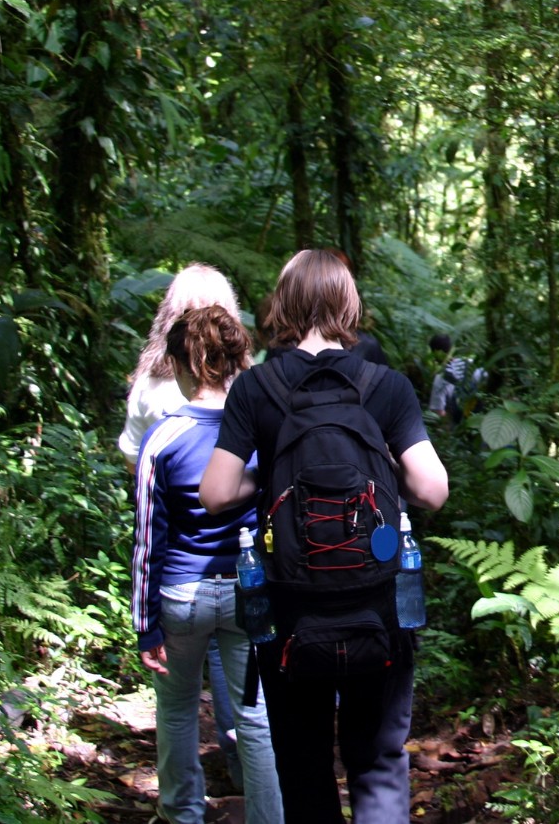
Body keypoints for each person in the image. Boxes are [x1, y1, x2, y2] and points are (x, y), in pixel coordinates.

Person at [201, 249, 449, 823]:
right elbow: (432, 491)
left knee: (304, 763)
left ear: (282, 304)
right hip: (378, 602)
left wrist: (273, 474)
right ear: (348, 302)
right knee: (379, 760)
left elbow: (215, 494)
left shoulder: (255, 389)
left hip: (288, 609)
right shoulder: (385, 386)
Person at [131, 306, 282, 824]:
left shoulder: (163, 439)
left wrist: (144, 624)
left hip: (180, 596)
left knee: (175, 711)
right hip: (248, 592)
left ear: (183, 364)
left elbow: (148, 539)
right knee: (256, 719)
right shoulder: (261, 432)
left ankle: (182, 816)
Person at [119, 263, 248, 788]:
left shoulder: (152, 386)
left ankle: (182, 805)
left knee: (176, 699)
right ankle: (248, 780)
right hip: (239, 567)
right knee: (244, 693)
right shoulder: (250, 391)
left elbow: (136, 463)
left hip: (176, 566)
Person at [427, 333, 486, 423]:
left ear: (435, 352)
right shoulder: (469, 363)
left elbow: (438, 412)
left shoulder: (440, 377)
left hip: (462, 418)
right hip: (482, 413)